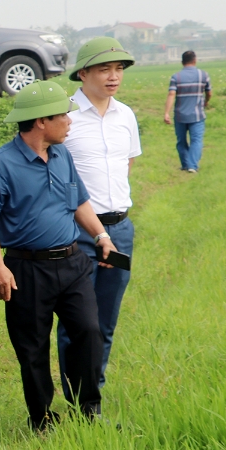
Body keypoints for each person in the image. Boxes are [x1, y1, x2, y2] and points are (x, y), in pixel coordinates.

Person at [0, 82, 119, 431]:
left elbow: (80, 201)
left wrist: (102, 236)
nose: (70, 121)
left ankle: (89, 410)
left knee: (88, 331)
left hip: (72, 263)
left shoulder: (62, 155)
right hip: (26, 269)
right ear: (41, 121)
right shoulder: (0, 164)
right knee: (32, 347)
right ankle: (41, 417)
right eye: (63, 115)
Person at [58, 37, 140, 397]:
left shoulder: (126, 115)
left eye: (118, 69)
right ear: (84, 72)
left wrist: (111, 223)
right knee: (77, 321)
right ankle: (77, 396)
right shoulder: (65, 115)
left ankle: (93, 396)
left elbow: (127, 166)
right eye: (105, 69)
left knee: (105, 320)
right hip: (76, 234)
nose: (113, 76)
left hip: (119, 230)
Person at [164, 50, 211, 173]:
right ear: (195, 60)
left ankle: (185, 165)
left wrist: (166, 113)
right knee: (196, 140)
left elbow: (171, 94)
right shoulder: (203, 75)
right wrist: (206, 101)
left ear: (182, 62)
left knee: (181, 141)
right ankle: (192, 166)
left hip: (180, 115)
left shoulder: (176, 77)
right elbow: (209, 92)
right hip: (197, 114)